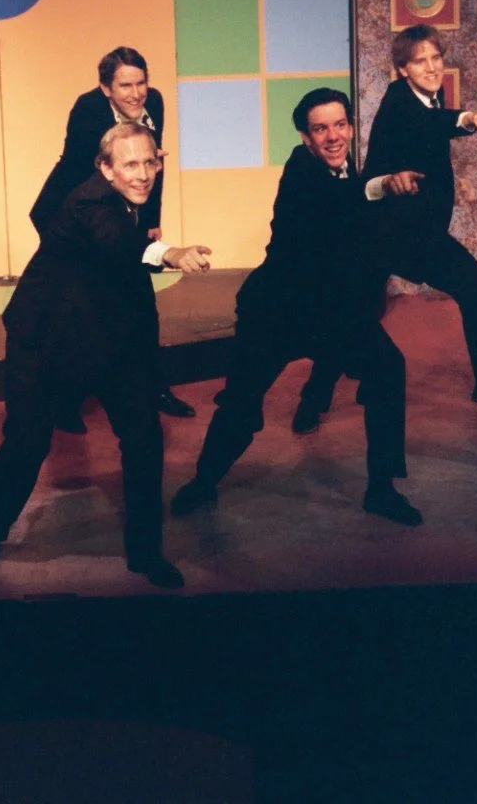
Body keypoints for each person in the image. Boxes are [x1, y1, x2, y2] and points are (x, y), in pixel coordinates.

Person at [0, 123, 213, 588]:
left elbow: (128, 275)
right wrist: (172, 252)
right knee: (26, 445)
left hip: (112, 339)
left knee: (143, 438)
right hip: (47, 343)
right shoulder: (86, 201)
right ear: (106, 168)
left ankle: (145, 550)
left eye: (149, 162)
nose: (142, 174)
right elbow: (118, 242)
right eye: (130, 165)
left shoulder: (132, 198)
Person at [170, 88, 425, 526]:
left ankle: (381, 488)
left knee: (387, 369)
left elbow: (357, 234)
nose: (333, 136)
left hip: (333, 310)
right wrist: (384, 185)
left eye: (340, 125)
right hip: (280, 311)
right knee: (242, 405)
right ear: (306, 137)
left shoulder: (348, 170)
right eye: (320, 128)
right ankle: (203, 481)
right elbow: (339, 205)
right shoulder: (301, 171)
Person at [350, 24, 477, 419]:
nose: (430, 68)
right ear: (402, 69)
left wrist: (462, 118)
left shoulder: (427, 95)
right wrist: (470, 119)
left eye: (435, 58)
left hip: (417, 231)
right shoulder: (399, 103)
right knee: (355, 309)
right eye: (419, 61)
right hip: (386, 232)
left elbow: (433, 119)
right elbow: (428, 124)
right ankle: (319, 397)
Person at [29, 46, 196, 425]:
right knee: (79, 307)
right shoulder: (88, 112)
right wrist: (153, 246)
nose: (136, 93)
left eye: (141, 82)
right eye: (125, 86)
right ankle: (63, 401)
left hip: (119, 212)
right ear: (106, 88)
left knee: (140, 301)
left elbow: (153, 163)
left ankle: (156, 388)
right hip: (70, 215)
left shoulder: (154, 102)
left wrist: (150, 219)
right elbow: (87, 179)